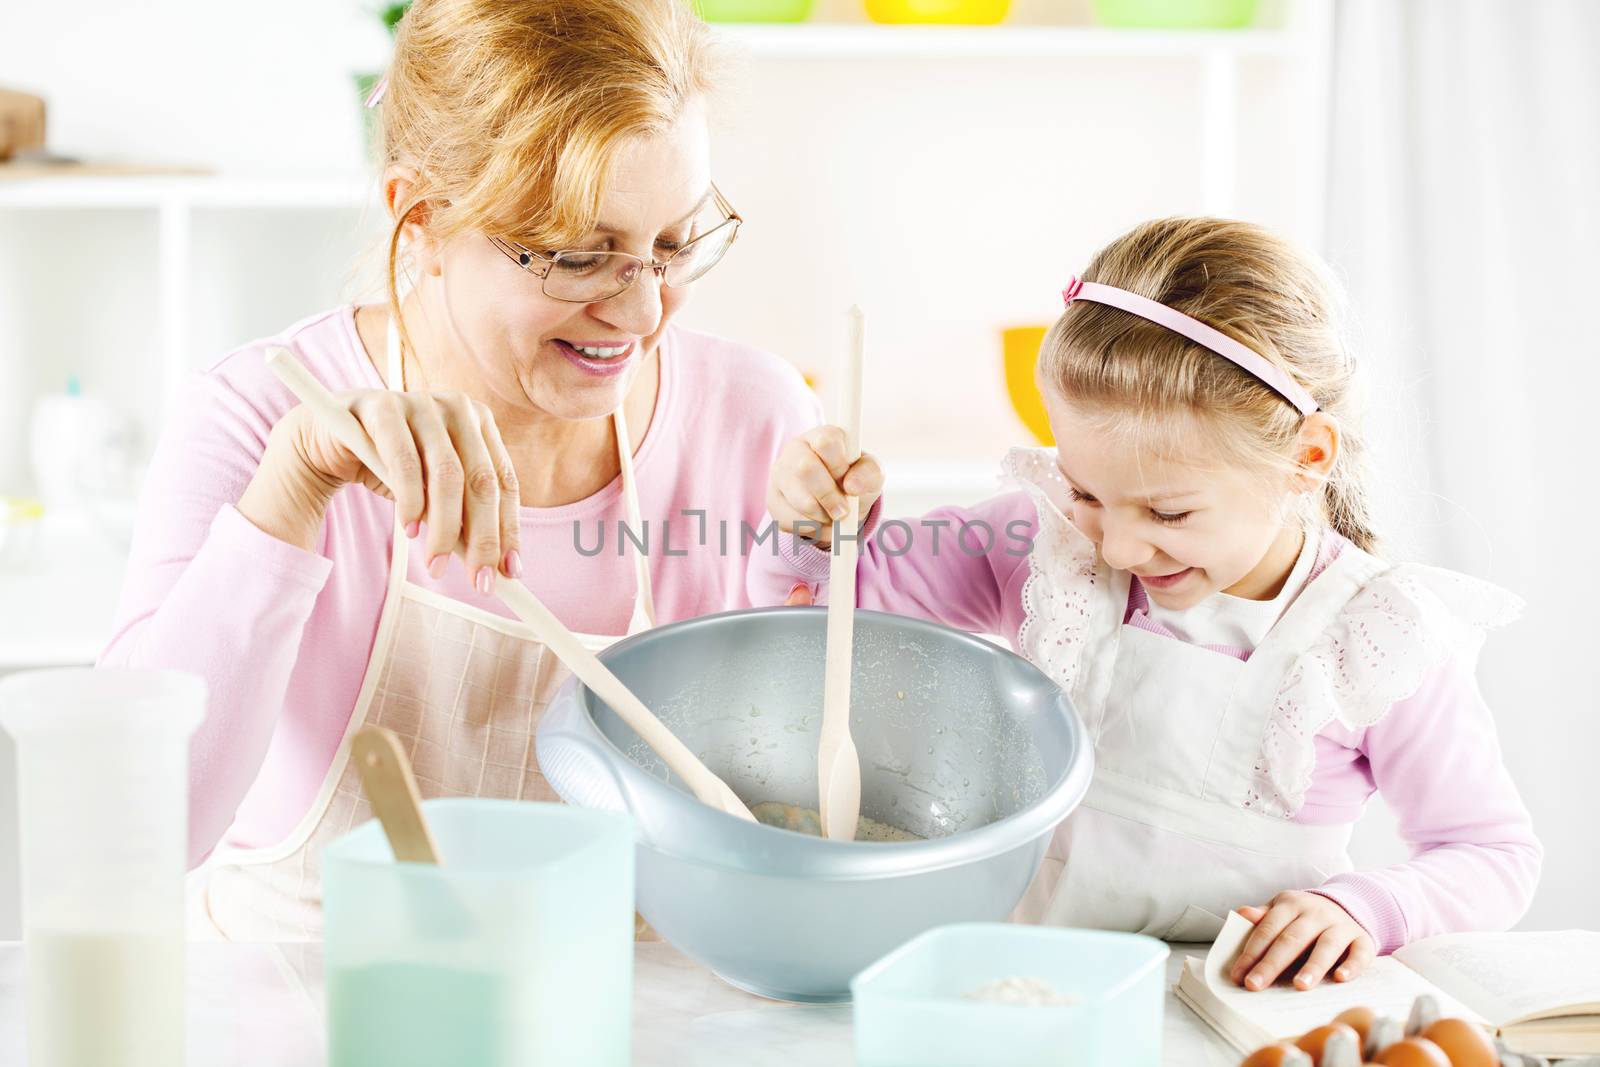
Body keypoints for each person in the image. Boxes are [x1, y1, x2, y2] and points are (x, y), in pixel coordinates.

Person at [102, 0, 821, 940]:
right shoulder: (256, 417)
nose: (643, 312)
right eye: (579, 256)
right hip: (306, 1018)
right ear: (424, 218)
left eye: (675, 244)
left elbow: (794, 821)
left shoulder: (756, 420)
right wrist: (289, 497)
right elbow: (135, 828)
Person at [754, 217, 1541, 990]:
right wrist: (810, 523)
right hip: (1029, 998)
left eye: (1168, 513)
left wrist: (1370, 906)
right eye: (1088, 490)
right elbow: (819, 623)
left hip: (1242, 1020)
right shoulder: (1044, 541)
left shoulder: (1377, 636)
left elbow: (1493, 853)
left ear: (1306, 457)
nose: (1121, 547)